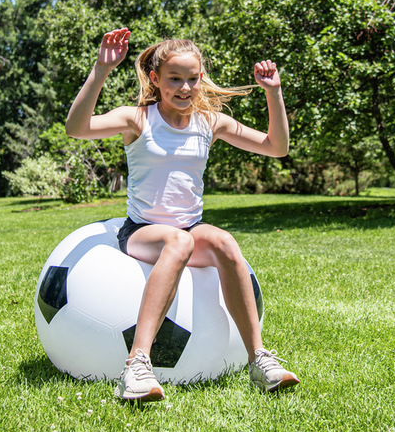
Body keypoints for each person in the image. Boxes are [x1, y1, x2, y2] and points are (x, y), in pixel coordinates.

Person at [65, 27, 299, 402]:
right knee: (178, 240)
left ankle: (259, 358)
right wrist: (101, 69)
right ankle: (137, 365)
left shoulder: (210, 122)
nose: (185, 87)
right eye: (175, 79)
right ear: (156, 79)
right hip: (142, 231)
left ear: (201, 78)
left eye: (192, 79)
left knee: (222, 240)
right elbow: (76, 128)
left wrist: (274, 92)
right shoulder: (137, 119)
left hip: (191, 227)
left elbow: (277, 147)